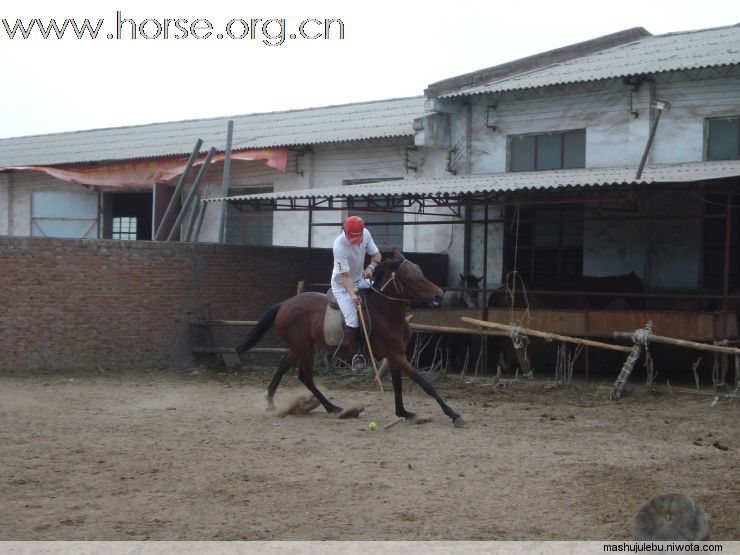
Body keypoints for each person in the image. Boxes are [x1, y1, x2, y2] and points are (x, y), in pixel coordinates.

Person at [331, 216, 382, 368]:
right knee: (352, 320)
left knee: (380, 293)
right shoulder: (338, 245)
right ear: (345, 230)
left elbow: (377, 255)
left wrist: (371, 267)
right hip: (342, 285)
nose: (357, 241)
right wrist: (353, 295)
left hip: (360, 279)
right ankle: (355, 357)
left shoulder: (365, 233)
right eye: (354, 238)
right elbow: (345, 276)